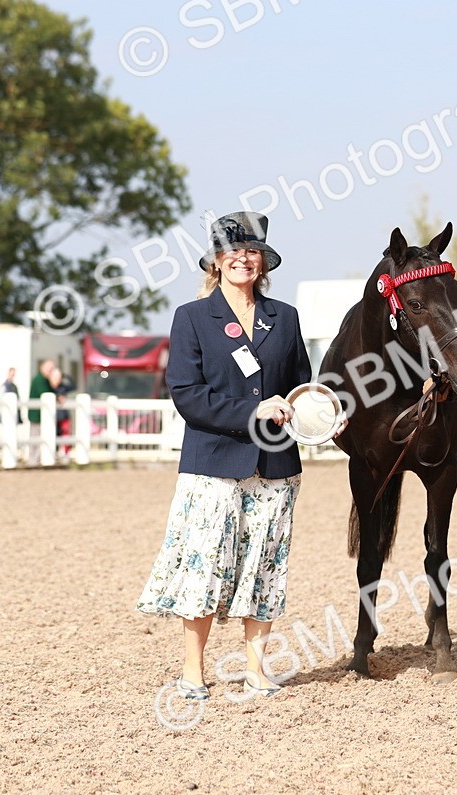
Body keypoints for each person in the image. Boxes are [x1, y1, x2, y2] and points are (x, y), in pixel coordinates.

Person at [136, 211, 310, 700]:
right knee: (205, 567)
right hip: (213, 464)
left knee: (265, 566)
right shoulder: (192, 318)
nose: (242, 258)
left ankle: (256, 671)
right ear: (216, 260)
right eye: (233, 251)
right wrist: (254, 409)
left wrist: (321, 415)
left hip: (275, 466)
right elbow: (186, 394)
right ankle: (193, 673)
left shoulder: (286, 317)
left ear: (263, 261)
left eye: (251, 251)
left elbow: (301, 388)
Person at [27, 359, 55, 465]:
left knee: (41, 438)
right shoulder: (40, 380)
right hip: (37, 415)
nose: (52, 371)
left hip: (42, 415)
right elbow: (46, 394)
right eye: (50, 369)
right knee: (35, 439)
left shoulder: (44, 379)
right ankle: (33, 461)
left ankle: (37, 460)